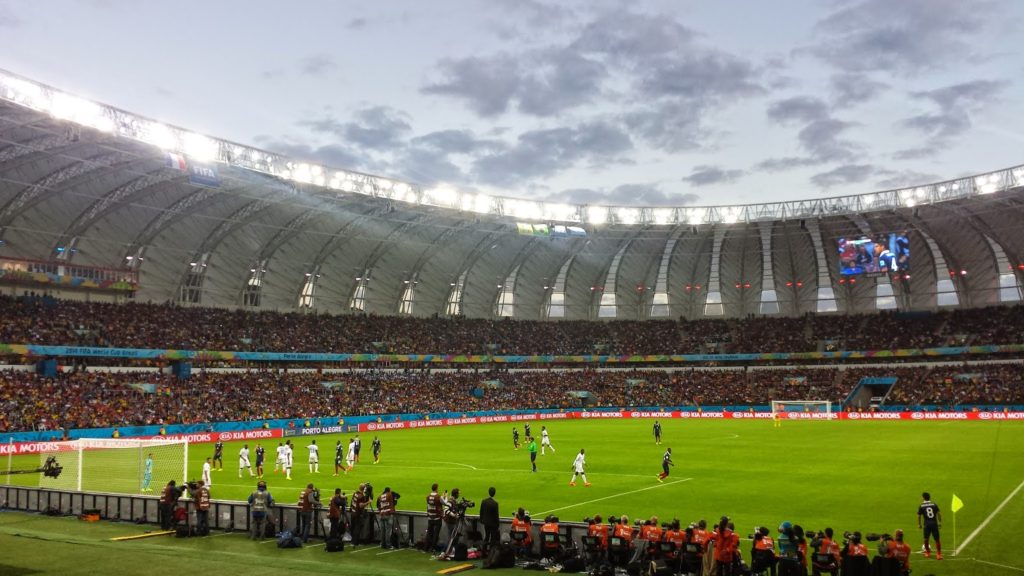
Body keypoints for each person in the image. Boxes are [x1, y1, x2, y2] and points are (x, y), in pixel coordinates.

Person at [917, 492, 942, 559]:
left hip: (927, 525)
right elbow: (939, 513)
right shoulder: (934, 504)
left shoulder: (921, 505)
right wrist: (939, 522)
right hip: (934, 524)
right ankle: (939, 554)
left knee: (926, 539)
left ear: (923, 498)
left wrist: (919, 524)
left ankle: (927, 553)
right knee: (937, 540)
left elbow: (919, 516)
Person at [479, 486, 499, 552]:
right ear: (494, 493)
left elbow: (481, 512)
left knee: (487, 537)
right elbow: (496, 515)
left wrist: (481, 520)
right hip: (493, 524)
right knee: (493, 538)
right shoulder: (495, 503)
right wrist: (497, 524)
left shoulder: (484, 501)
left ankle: (484, 551)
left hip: (486, 523)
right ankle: (491, 552)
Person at [426, 483, 444, 552]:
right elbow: (444, 503)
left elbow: (428, 505)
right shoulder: (438, 497)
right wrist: (445, 497)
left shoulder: (428, 496)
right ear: (436, 488)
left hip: (430, 517)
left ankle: (427, 547)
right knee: (436, 533)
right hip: (437, 517)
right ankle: (433, 548)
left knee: (429, 533)